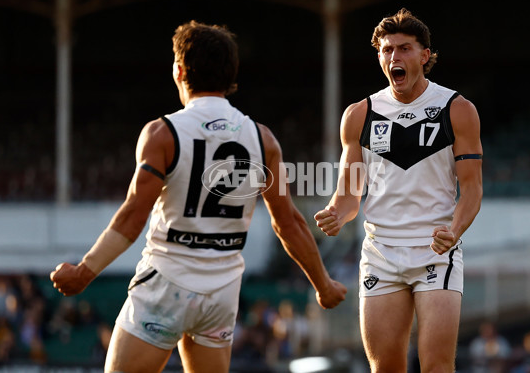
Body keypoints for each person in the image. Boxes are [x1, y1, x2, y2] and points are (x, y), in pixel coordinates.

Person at [50, 20, 347, 373]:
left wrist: (86, 271)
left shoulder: (162, 133)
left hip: (166, 284)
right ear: (231, 75)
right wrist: (322, 284)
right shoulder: (262, 139)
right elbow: (289, 224)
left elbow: (133, 216)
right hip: (220, 293)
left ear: (178, 71)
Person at [315, 8, 482, 372]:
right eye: (387, 50)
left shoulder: (457, 109)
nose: (395, 57)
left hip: (435, 252)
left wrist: (453, 230)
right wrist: (335, 215)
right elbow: (348, 196)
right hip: (381, 254)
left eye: (404, 49)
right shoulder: (359, 114)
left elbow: (471, 190)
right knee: (386, 366)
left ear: (424, 56)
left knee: (436, 365)